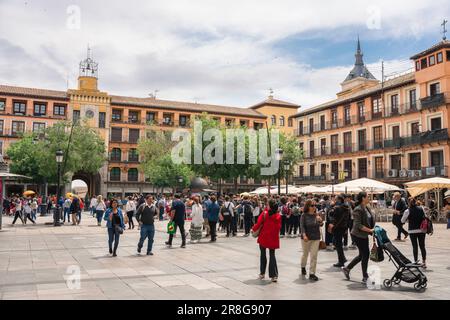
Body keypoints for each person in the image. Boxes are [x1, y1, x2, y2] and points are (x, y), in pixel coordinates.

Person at [342, 192, 375, 283]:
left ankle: (347, 268)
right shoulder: (358, 209)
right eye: (367, 196)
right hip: (358, 235)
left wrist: (372, 229)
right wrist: (370, 230)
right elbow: (358, 225)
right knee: (365, 254)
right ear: (363, 198)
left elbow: (369, 220)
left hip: (364, 234)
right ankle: (365, 276)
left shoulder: (366, 208)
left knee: (362, 255)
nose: (369, 198)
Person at [252, 199, 281, 282]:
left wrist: (253, 229)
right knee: (272, 255)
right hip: (273, 238)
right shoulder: (278, 216)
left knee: (263, 255)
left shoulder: (265, 214)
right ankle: (274, 275)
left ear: (269, 206)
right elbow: (279, 227)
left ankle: (262, 273)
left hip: (264, 237)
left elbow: (258, 223)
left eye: (267, 205)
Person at [300, 199, 323, 281]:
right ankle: (303, 266)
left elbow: (321, 224)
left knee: (314, 255)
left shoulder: (316, 215)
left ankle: (312, 273)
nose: (314, 207)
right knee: (305, 254)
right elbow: (302, 226)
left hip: (316, 237)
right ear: (308, 206)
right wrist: (304, 235)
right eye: (312, 205)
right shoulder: (304, 215)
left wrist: (320, 221)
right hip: (306, 238)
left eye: (315, 205)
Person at [401, 198, 427, 268]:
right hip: (421, 230)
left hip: (412, 231)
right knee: (422, 246)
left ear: (409, 203)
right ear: (416, 202)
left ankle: (415, 261)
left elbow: (402, 220)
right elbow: (425, 217)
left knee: (415, 246)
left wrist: (407, 219)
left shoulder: (407, 211)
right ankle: (424, 262)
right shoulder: (421, 208)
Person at [329, 194, 351, 267]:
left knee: (337, 244)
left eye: (335, 199)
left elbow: (330, 213)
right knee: (337, 243)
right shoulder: (347, 207)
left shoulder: (337, 207)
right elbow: (349, 218)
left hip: (337, 227)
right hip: (343, 227)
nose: (334, 200)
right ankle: (343, 259)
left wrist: (332, 206)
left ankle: (341, 261)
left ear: (339, 200)